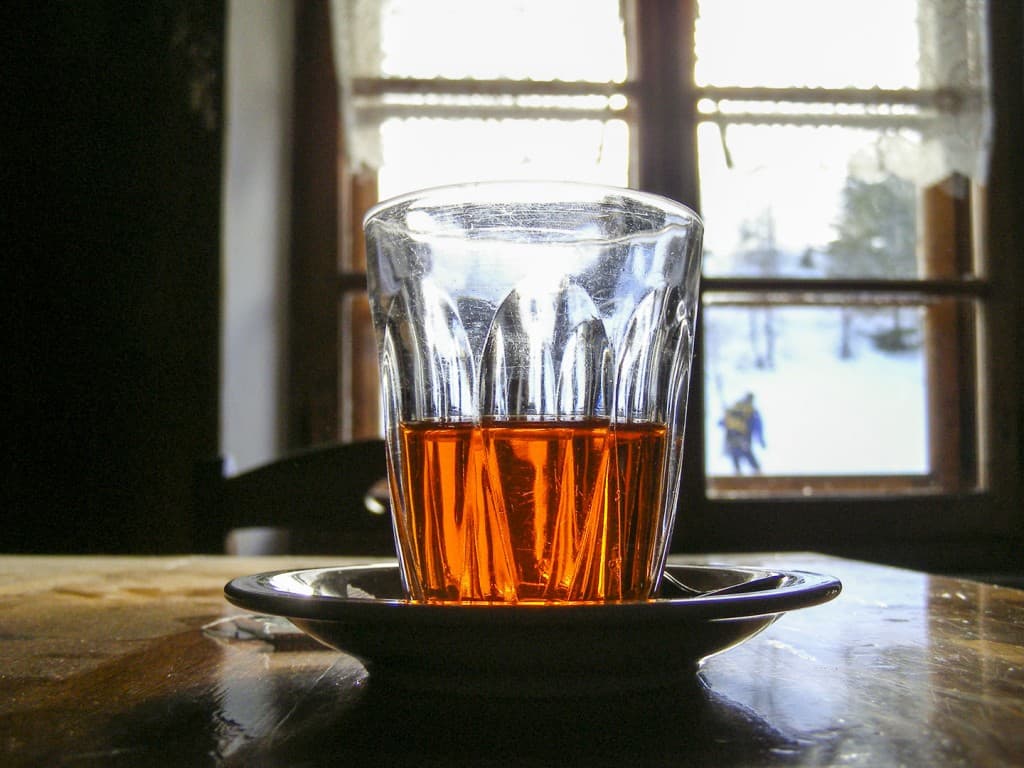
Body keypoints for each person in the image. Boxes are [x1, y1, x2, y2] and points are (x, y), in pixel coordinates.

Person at [720, 393, 766, 474]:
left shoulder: (735, 408)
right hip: (744, 437)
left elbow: (721, 423)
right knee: (747, 453)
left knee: (735, 454)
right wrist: (761, 440)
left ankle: (737, 474)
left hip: (731, 437)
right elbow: (757, 426)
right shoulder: (751, 411)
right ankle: (758, 472)